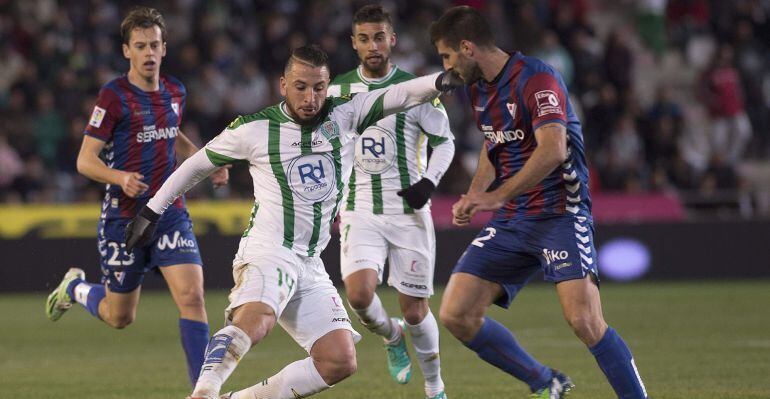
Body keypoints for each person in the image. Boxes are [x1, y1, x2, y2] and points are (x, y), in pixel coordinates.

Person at [122, 45, 461, 399]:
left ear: (328, 86)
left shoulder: (347, 112)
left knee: (339, 359)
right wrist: (150, 212)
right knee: (258, 319)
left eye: (318, 87)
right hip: (270, 249)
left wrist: (441, 80)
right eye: (300, 86)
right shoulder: (255, 129)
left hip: (310, 262)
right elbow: (196, 166)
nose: (310, 97)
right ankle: (204, 392)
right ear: (283, 85)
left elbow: (400, 93)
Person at [430, 6, 649, 399]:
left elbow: (552, 149)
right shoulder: (479, 89)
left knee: (584, 320)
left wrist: (495, 196)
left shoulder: (537, 78)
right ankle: (544, 380)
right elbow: (492, 143)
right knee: (455, 313)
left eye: (447, 56)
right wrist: (477, 193)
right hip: (514, 218)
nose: (446, 67)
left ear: (467, 48)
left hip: (560, 213)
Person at [45, 6, 229, 387]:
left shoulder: (176, 91)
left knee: (193, 297)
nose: (149, 52)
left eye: (155, 45)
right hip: (124, 219)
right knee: (119, 316)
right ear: (127, 50)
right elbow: (85, 160)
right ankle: (75, 288)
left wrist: (207, 162)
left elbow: (172, 133)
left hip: (169, 210)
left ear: (164, 49)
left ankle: (203, 392)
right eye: (141, 45)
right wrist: (119, 178)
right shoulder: (113, 97)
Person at [327, 5, 455, 399]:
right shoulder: (336, 92)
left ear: (392, 39)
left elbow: (444, 143)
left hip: (408, 212)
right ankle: (390, 335)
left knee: (416, 310)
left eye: (379, 37)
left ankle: (435, 387)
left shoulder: (418, 90)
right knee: (360, 295)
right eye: (364, 39)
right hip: (359, 209)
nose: (372, 46)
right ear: (354, 43)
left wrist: (428, 183)